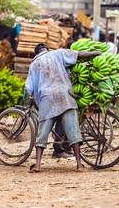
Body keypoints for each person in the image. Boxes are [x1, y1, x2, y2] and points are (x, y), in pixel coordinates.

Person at [25, 43, 101, 173]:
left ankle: (37, 165)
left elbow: (29, 87)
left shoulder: (34, 64)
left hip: (47, 100)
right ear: (46, 50)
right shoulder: (57, 53)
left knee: (42, 134)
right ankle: (79, 165)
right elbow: (78, 54)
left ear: (36, 53)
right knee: (73, 132)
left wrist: (33, 99)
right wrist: (96, 53)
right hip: (65, 96)